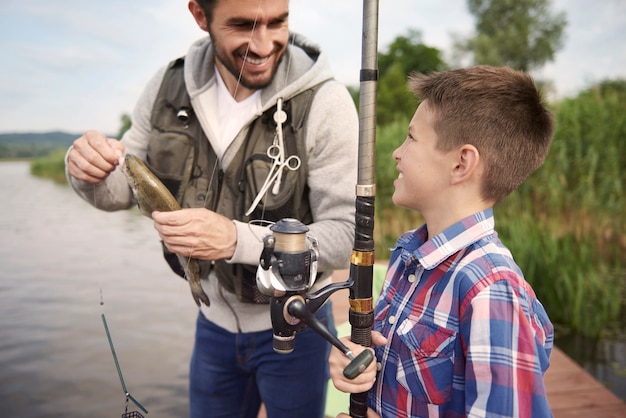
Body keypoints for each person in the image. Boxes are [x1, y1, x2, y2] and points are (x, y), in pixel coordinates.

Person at [65, 1, 358, 417]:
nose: (264, 44)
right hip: (212, 326)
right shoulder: (168, 86)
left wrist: (238, 240)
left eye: (278, 23)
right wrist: (86, 170)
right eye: (242, 26)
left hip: (296, 326)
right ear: (200, 17)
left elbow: (346, 235)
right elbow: (118, 190)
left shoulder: (327, 102)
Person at [329, 66, 555, 418]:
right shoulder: (408, 257)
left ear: (462, 163)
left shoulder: (491, 291)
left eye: (411, 138)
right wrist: (355, 358)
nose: (397, 153)